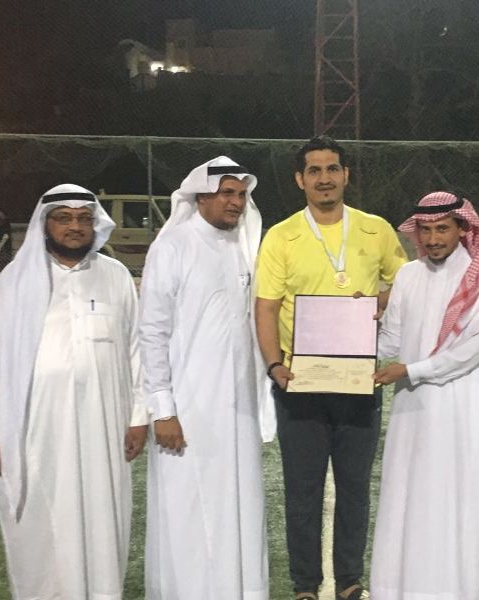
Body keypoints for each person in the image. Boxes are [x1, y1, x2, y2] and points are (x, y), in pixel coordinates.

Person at [0, 184, 149, 599]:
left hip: (103, 426)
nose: (75, 226)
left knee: (103, 519)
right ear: (44, 224)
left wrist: (139, 416)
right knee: (40, 527)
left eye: (84, 218)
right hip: (35, 430)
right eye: (64, 218)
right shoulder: (16, 281)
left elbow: (136, 349)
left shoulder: (115, 276)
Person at [255, 135, 408, 600]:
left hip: (358, 381)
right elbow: (266, 307)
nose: (325, 178)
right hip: (300, 381)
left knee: (355, 489)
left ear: (346, 175)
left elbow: (404, 286)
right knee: (302, 490)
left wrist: (377, 301)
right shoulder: (281, 236)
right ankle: (305, 585)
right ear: (300, 180)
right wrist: (274, 365)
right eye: (315, 171)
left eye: (332, 169)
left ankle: (349, 581)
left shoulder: (376, 229)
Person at [370, 191, 479, 600]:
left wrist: (411, 370)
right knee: (415, 502)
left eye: (442, 229)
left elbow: (470, 352)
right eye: (426, 230)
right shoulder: (408, 276)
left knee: (463, 502)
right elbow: (390, 341)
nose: (433, 238)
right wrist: (356, 324)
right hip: (414, 414)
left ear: (462, 228)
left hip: (467, 412)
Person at [140, 156, 271, 600]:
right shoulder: (173, 247)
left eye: (241, 195)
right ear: (200, 197)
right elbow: (152, 332)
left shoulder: (243, 247)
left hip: (239, 412)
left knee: (239, 506)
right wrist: (163, 409)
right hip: (188, 411)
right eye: (226, 193)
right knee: (188, 512)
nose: (236, 202)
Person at [0, 208, 13, 274]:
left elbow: (6, 236)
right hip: (3, 245)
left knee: (3, 260)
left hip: (4, 246)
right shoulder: (1, 222)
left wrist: (0, 246)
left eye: (0, 213)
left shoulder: (6, 223)